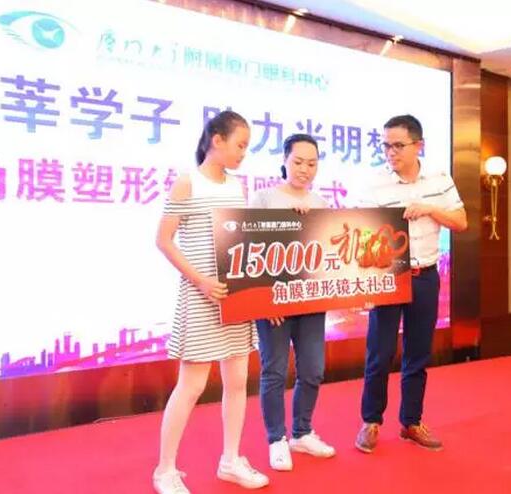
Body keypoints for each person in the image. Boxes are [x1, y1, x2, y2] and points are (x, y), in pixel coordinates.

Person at [153, 111, 269, 493]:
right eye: (240, 145)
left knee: (237, 381)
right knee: (191, 386)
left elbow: (240, 242)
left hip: (235, 299)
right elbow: (164, 240)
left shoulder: (237, 186)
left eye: (246, 147)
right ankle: (165, 470)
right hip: (200, 297)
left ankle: (230, 460)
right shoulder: (187, 182)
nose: (243, 153)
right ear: (216, 140)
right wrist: (200, 280)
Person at [354, 114, 467, 453]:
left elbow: (461, 221)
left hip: (426, 276)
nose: (391, 152)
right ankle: (371, 422)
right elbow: (361, 233)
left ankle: (412, 422)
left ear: (419, 145)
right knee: (380, 353)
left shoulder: (440, 179)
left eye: (398, 145)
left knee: (418, 353)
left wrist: (429, 209)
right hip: (388, 277)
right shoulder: (375, 184)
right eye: (386, 145)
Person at [249, 134, 336, 472]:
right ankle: (276, 439)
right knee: (274, 371)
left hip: (311, 300)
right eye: (298, 162)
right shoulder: (264, 198)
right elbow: (249, 250)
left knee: (313, 369)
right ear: (284, 161)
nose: (304, 169)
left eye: (312, 163)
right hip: (273, 304)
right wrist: (263, 300)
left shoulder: (321, 203)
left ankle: (302, 432)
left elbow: (329, 254)